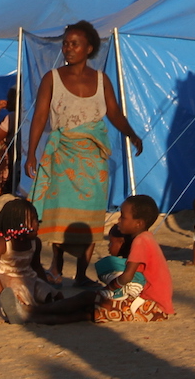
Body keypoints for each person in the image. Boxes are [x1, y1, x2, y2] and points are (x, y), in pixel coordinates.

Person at [25, 20, 144, 286]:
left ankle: (81, 274)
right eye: (66, 43)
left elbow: (113, 112)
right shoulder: (52, 79)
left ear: (88, 48)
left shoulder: (101, 80)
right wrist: (31, 153)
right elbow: (40, 116)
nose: (68, 48)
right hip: (62, 155)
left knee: (90, 218)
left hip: (93, 160)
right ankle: (55, 268)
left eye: (74, 44)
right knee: (59, 215)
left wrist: (131, 133)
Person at [0, 198, 68, 323]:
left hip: (27, 277)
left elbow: (36, 267)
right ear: (18, 224)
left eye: (37, 220)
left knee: (49, 294)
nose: (37, 224)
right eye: (32, 221)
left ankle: (45, 307)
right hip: (4, 279)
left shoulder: (35, 243)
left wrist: (48, 287)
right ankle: (21, 310)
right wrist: (3, 295)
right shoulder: (3, 243)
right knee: (17, 291)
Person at [91, 195, 174, 323]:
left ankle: (49, 314)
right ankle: (50, 311)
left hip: (151, 308)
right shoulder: (147, 238)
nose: (119, 220)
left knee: (90, 303)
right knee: (90, 302)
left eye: (123, 217)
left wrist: (108, 289)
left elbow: (127, 277)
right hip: (155, 304)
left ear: (138, 223)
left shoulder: (140, 241)